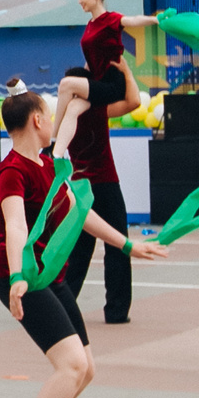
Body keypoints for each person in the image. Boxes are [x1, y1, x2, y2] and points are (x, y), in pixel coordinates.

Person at [0, 88, 165, 398]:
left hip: (50, 277)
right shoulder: (12, 172)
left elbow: (79, 213)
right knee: (70, 365)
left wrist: (127, 245)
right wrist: (19, 277)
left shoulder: (50, 166)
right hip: (23, 278)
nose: (52, 121)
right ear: (36, 120)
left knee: (85, 370)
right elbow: (15, 227)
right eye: (49, 116)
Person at [59, 58, 145, 324]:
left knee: (78, 251)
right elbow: (134, 102)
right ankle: (117, 310)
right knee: (117, 245)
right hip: (106, 183)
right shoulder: (97, 109)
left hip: (80, 188)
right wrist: (125, 71)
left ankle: (62, 304)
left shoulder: (63, 117)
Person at [51, 0, 156, 151]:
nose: (79, 1)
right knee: (73, 108)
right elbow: (91, 59)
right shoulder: (90, 24)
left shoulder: (111, 19)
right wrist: (83, 79)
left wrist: (155, 20)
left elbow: (134, 20)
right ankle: (56, 154)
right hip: (98, 85)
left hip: (112, 85)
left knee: (66, 85)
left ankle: (51, 140)